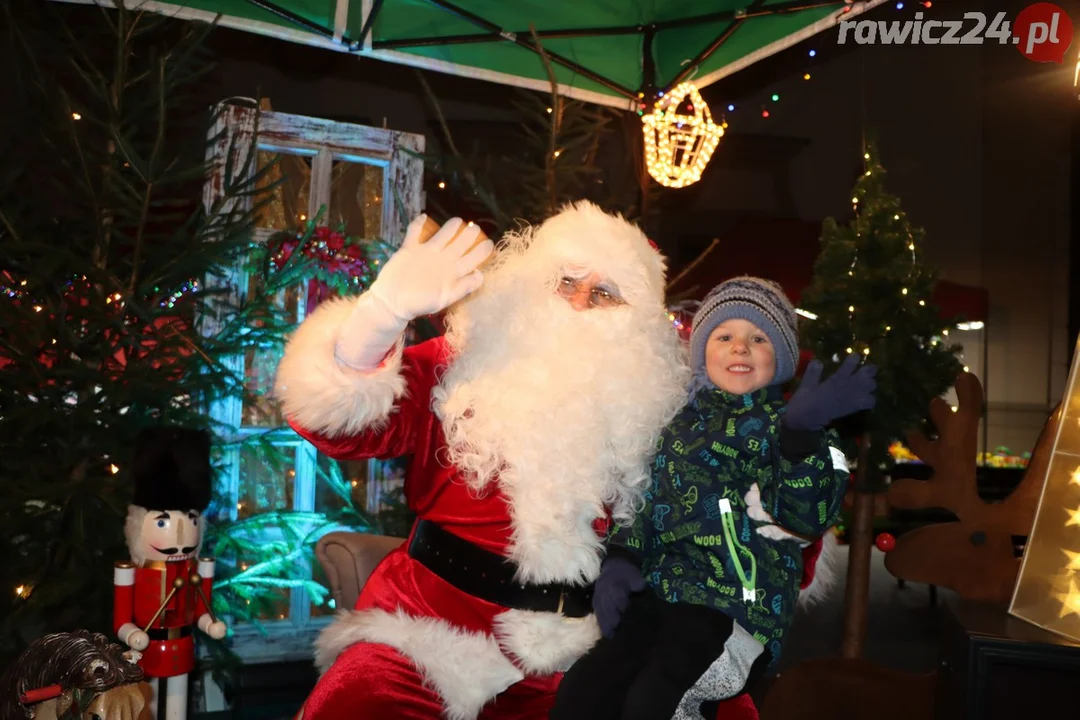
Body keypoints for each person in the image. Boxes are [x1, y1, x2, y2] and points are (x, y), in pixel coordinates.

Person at [273, 201, 695, 719]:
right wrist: (381, 313)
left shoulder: (654, 413)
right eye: (566, 282)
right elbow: (341, 424)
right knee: (358, 702)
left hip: (576, 656)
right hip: (426, 630)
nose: (580, 302)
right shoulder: (463, 361)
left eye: (605, 294)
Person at [551, 276, 877, 720]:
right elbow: (649, 501)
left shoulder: (793, 426)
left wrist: (801, 438)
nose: (739, 347)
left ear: (779, 358)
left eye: (758, 338)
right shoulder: (678, 422)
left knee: (654, 702)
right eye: (724, 335)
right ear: (702, 348)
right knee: (583, 693)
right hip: (661, 596)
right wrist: (622, 558)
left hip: (734, 611)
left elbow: (808, 515)